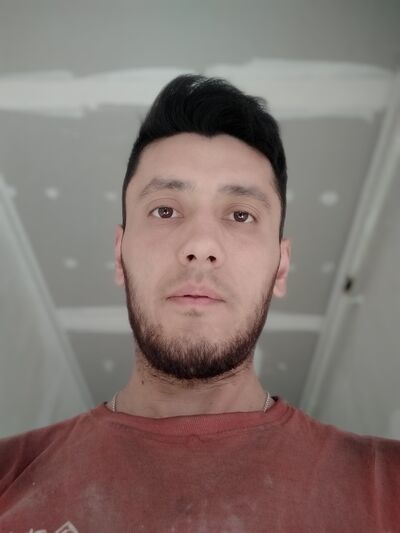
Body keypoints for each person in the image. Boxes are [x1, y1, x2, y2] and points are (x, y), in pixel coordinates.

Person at [0, 74, 399, 533]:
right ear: (120, 254)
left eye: (241, 214)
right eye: (165, 210)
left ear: (281, 267)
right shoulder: (9, 475)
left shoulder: (388, 487)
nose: (200, 245)